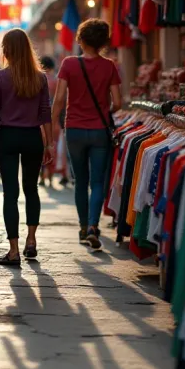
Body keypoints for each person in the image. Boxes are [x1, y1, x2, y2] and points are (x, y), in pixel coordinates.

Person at [51, 18, 121, 252]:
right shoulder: (109, 66)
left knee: (80, 181)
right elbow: (118, 102)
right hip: (100, 131)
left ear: (80, 39)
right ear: (102, 42)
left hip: (75, 130)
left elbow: (59, 100)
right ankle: (93, 225)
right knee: (98, 181)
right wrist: (102, 110)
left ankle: (82, 227)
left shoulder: (69, 64)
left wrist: (51, 123)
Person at [0, 29, 54, 266]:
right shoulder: (40, 78)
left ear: (6, 50)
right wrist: (49, 143)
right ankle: (31, 240)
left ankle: (13, 250)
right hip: (33, 137)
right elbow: (46, 113)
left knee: (10, 194)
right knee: (31, 189)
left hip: (7, 137)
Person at [39, 56, 59, 188]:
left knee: (40, 148)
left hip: (38, 119)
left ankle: (41, 177)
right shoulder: (56, 81)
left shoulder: (37, 80)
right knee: (52, 146)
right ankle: (51, 177)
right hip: (53, 119)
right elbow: (61, 101)